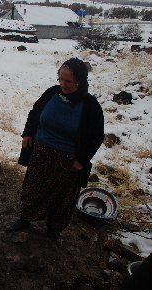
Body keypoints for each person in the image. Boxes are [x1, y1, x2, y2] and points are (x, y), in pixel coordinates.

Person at [10, 58, 104, 240]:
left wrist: (81, 160)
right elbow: (34, 113)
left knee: (62, 199)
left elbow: (96, 137)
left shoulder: (90, 106)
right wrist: (27, 134)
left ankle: (53, 230)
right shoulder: (52, 93)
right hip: (41, 153)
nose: (63, 84)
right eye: (60, 79)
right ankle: (25, 219)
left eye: (68, 81)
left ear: (80, 81)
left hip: (68, 161)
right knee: (32, 190)